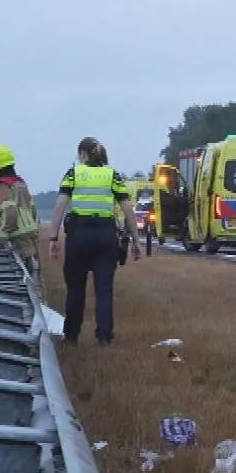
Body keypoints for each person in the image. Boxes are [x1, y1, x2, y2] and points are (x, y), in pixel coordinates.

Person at [47, 137, 140, 345]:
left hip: (79, 236)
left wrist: (53, 237)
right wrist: (136, 241)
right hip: (105, 236)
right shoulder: (112, 175)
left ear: (82, 154)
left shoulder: (73, 174)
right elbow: (127, 210)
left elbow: (60, 206)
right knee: (104, 290)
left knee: (75, 289)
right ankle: (104, 336)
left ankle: (72, 335)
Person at [0, 143, 40, 272]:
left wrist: (2, 237)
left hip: (18, 236)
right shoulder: (20, 182)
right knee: (35, 272)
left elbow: (10, 213)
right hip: (31, 233)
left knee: (22, 271)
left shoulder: (2, 185)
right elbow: (31, 209)